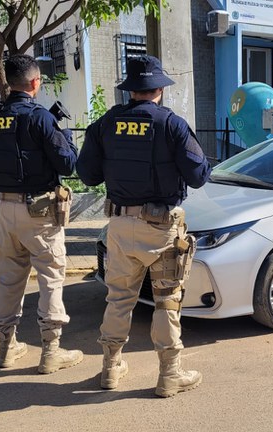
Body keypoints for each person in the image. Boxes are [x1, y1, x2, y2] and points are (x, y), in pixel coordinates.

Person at [76, 55, 212, 397]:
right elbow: (199, 176)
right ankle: (169, 374)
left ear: (131, 91)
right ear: (159, 91)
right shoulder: (172, 125)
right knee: (167, 300)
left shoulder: (106, 124)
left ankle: (110, 368)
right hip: (162, 228)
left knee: (118, 298)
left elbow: (87, 174)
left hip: (120, 225)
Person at [0, 54, 83, 374]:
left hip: (5, 209)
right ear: (36, 83)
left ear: (9, 83)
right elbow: (67, 164)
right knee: (50, 277)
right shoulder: (41, 118)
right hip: (41, 211)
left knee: (8, 280)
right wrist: (66, 137)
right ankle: (51, 352)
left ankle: (6, 349)